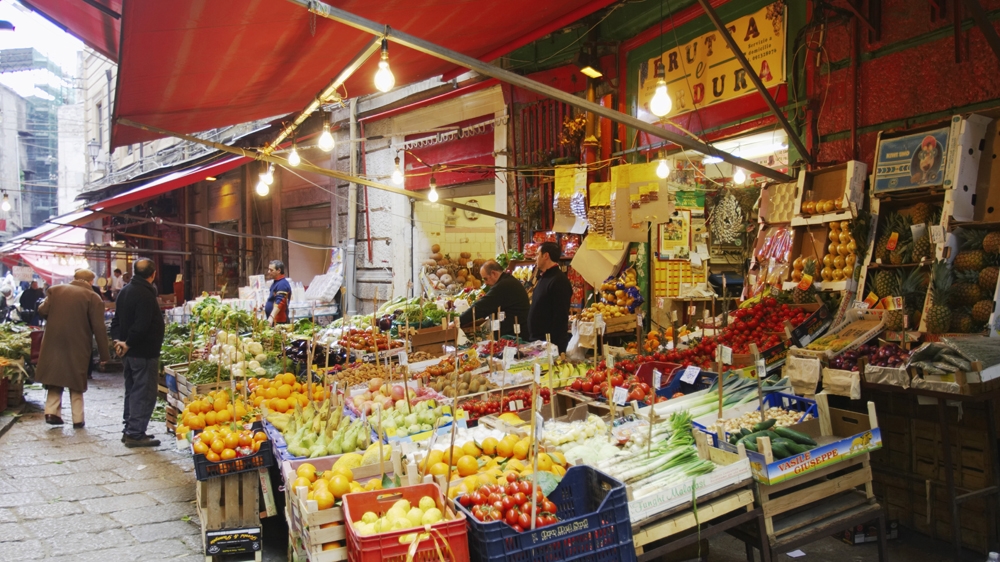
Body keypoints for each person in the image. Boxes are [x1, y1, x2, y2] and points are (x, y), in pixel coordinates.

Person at [34, 270, 111, 428]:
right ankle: (77, 418)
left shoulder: (56, 290)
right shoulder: (93, 297)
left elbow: (42, 310)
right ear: (90, 281)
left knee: (54, 376)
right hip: (79, 343)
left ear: (74, 278)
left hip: (53, 341)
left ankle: (51, 411)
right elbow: (99, 327)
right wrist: (105, 355)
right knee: (76, 379)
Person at [110, 258, 165, 447]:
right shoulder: (145, 294)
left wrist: (119, 341)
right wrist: (128, 342)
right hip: (143, 352)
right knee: (144, 392)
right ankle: (135, 432)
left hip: (129, 352)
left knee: (132, 389)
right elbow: (142, 325)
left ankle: (130, 428)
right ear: (153, 274)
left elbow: (116, 321)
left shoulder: (125, 291)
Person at [458, 260, 530, 336]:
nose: (485, 283)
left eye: (485, 279)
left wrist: (459, 321)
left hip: (516, 337)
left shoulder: (504, 285)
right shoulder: (507, 280)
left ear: (493, 273)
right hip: (513, 333)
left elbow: (482, 306)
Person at [527, 241, 573, 353]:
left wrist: (552, 344)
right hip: (538, 341)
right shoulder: (544, 277)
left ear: (546, 255)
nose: (535, 258)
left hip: (550, 344)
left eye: (538, 254)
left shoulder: (559, 280)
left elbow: (560, 316)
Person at [265, 260, 291, 325]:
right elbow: (273, 299)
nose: (268, 272)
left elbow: (280, 302)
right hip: (274, 321)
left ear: (278, 270)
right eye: (269, 270)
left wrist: (271, 317)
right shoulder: (275, 283)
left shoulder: (282, 284)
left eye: (271, 270)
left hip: (279, 322)